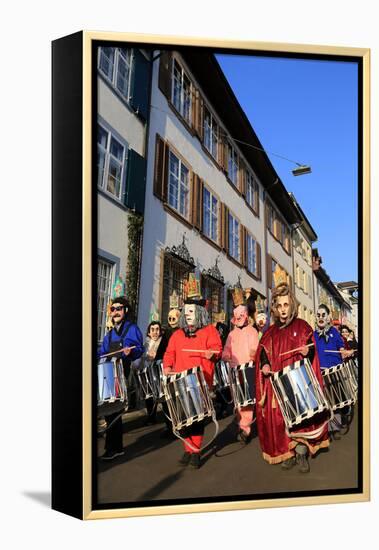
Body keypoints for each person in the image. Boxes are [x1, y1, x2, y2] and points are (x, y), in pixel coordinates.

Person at [255, 282, 329, 473]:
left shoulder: (302, 326)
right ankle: (289, 452)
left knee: (301, 420)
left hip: (299, 383)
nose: (283, 310)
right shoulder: (269, 333)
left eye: (286, 305)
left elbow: (312, 350)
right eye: (279, 306)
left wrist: (308, 351)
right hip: (278, 385)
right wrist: (264, 364)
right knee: (281, 419)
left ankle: (302, 454)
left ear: (292, 305)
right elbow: (263, 352)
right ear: (274, 308)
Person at [163, 275, 222, 469]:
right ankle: (188, 448)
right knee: (183, 418)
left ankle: (195, 452)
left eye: (191, 311)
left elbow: (217, 351)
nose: (187, 314)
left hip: (200, 381)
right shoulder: (177, 334)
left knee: (196, 419)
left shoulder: (210, 331)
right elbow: (169, 353)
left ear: (199, 312)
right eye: (185, 311)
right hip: (179, 381)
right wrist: (168, 367)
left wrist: (211, 353)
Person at [97, 296, 144, 460]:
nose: (115, 311)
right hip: (108, 372)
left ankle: (114, 448)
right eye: (113, 309)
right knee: (110, 411)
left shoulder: (132, 328)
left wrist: (131, 352)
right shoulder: (109, 335)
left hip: (121, 371)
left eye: (119, 308)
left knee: (114, 410)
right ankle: (115, 447)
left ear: (125, 310)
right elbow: (102, 353)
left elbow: (139, 348)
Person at [222, 288, 259, 443]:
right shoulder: (231, 334)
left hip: (248, 370)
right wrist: (226, 356)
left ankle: (245, 428)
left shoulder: (252, 331)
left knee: (248, 401)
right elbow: (226, 350)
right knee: (238, 401)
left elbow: (257, 349)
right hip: (234, 372)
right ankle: (241, 423)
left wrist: (253, 354)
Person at [313, 304, 353, 439]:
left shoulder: (334, 332)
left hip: (335, 370)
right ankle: (326, 429)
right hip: (321, 371)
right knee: (325, 401)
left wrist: (343, 351)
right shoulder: (313, 335)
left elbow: (341, 346)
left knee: (335, 400)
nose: (320, 318)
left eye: (323, 315)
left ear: (328, 317)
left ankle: (334, 427)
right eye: (318, 315)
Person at [140, 321, 168, 425]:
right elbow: (142, 357)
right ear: (148, 332)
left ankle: (168, 421)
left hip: (159, 373)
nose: (155, 332)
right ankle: (151, 416)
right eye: (152, 330)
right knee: (149, 396)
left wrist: (157, 357)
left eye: (157, 329)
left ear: (160, 331)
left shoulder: (163, 342)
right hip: (147, 372)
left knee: (162, 396)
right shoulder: (146, 343)